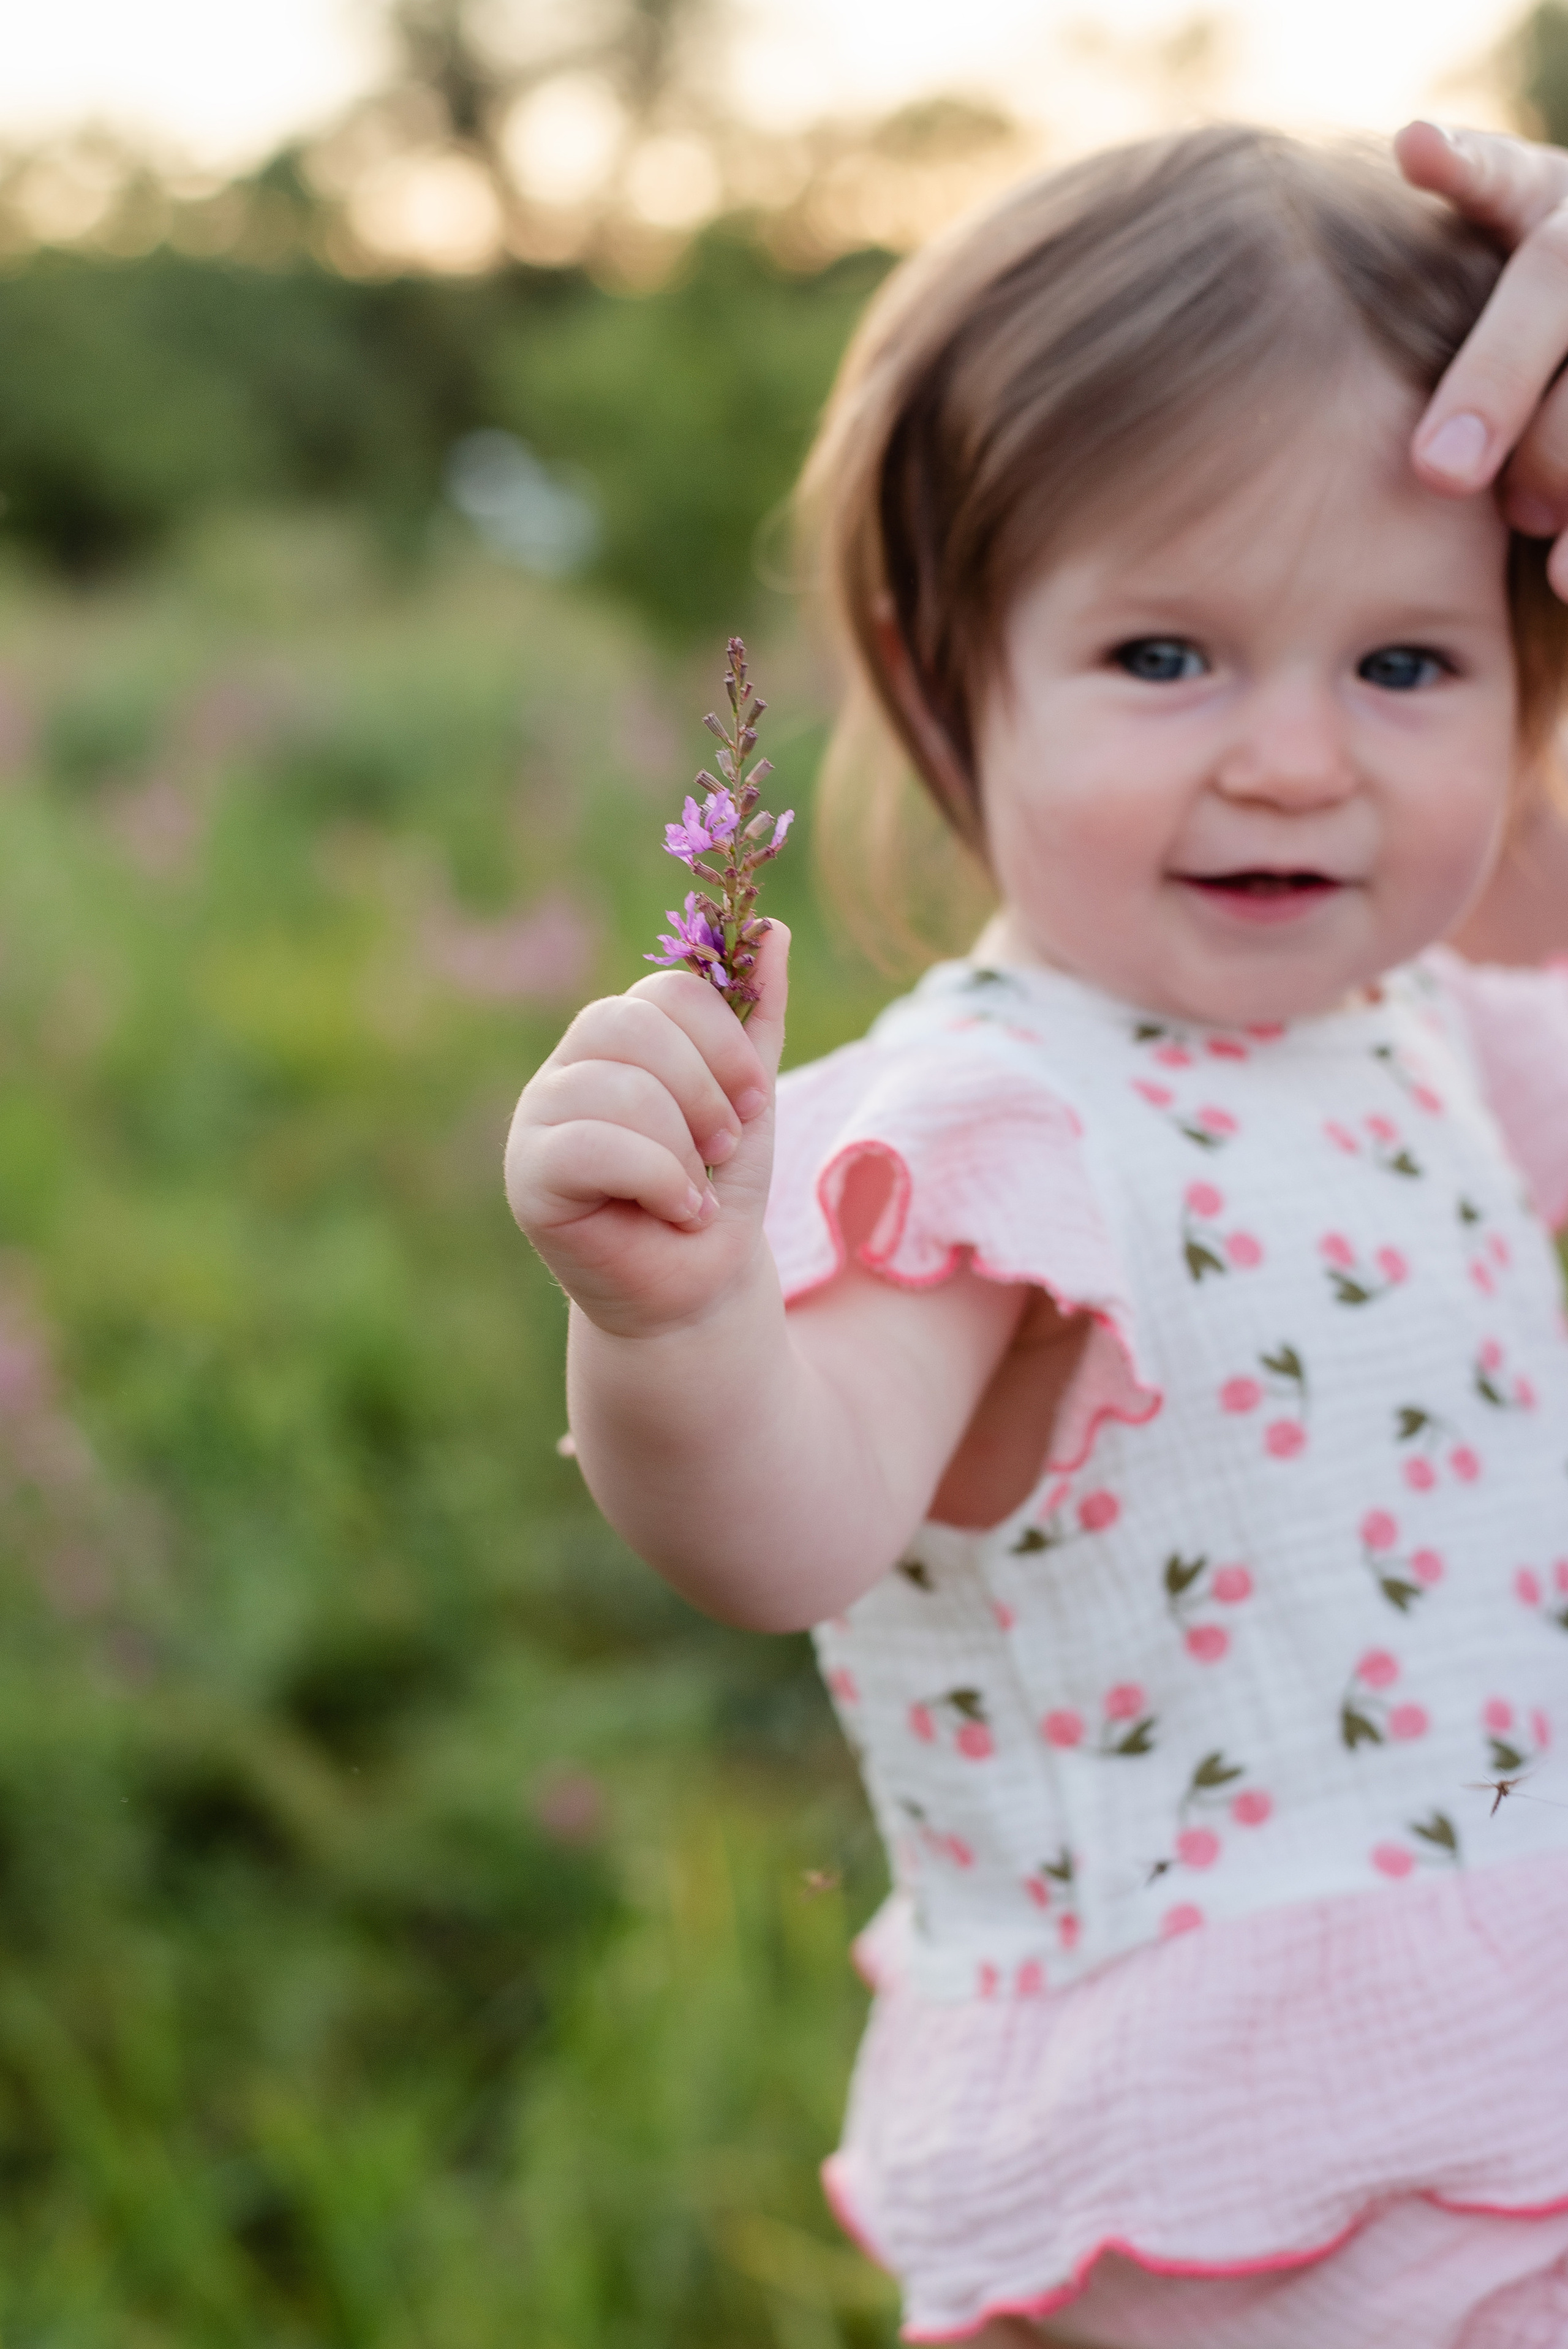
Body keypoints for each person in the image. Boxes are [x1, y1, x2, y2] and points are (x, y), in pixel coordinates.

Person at [506, 123, 1568, 2349]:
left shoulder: (1445, 1037)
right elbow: (788, 1524)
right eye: (1168, 653)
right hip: (1238, 2203)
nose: (1299, 761)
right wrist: (678, 1323)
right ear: (946, 680)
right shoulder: (999, 1123)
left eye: (1407, 665)